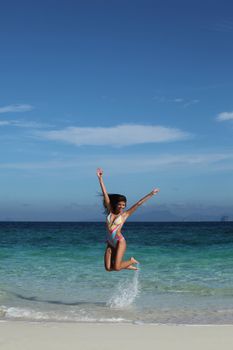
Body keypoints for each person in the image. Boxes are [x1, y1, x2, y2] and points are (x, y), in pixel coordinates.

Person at [96, 168, 159, 272]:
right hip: (110, 243)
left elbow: (138, 203)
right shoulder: (110, 211)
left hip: (120, 242)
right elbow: (105, 194)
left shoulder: (125, 215)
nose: (122, 206)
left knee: (116, 267)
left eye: (124, 205)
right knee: (108, 268)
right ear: (115, 204)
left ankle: (130, 261)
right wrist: (100, 179)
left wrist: (151, 194)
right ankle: (125, 265)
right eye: (120, 204)